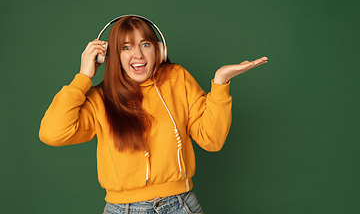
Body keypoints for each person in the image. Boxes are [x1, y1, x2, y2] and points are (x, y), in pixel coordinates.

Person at [39, 15, 268, 214]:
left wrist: (220, 83)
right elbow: (52, 133)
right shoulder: (99, 99)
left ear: (159, 50)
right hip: (123, 209)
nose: (137, 54)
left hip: (181, 204)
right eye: (126, 47)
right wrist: (83, 77)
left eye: (145, 44)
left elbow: (212, 140)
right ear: (111, 55)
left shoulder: (177, 79)